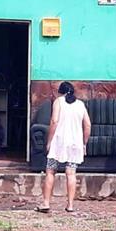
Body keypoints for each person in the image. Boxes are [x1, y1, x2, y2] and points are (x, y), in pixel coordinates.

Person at [36, 82, 91, 213]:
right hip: (75, 144)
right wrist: (84, 143)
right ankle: (70, 205)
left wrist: (49, 141)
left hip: (58, 143)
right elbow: (88, 125)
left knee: (50, 171)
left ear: (60, 92)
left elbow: (54, 121)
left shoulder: (58, 102)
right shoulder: (80, 104)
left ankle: (46, 203)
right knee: (71, 173)